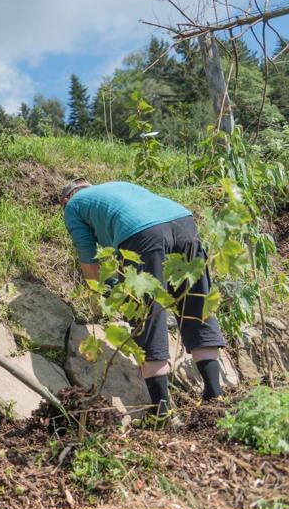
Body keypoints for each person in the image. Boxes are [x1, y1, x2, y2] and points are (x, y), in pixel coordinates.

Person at [60, 179, 227, 417]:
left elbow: (90, 266)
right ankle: (215, 396)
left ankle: (162, 413)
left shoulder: (73, 206)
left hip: (143, 233)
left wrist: (114, 293)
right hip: (183, 221)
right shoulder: (115, 186)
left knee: (148, 316)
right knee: (196, 305)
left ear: (65, 200)